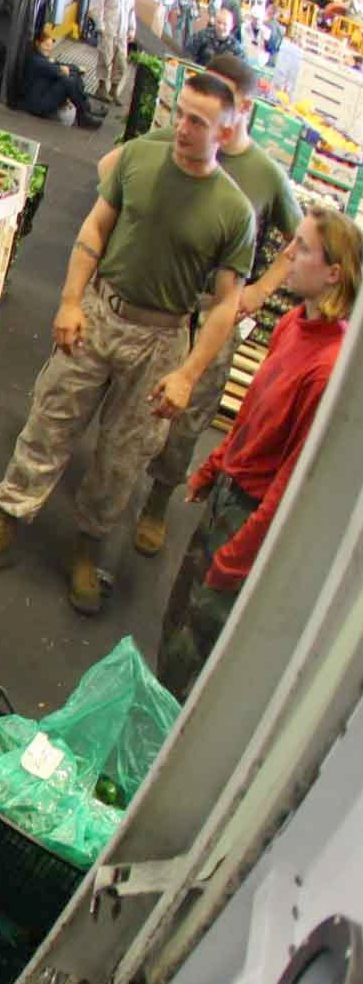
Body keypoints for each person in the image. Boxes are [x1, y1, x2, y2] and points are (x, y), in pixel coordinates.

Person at [0, 73, 256, 616]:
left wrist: (188, 375)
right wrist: (70, 302)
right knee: (50, 420)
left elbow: (225, 306)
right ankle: (1, 524)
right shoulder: (138, 161)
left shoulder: (233, 211)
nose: (181, 127)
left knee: (125, 455)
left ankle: (87, 550)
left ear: (225, 131)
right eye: (181, 113)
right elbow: (96, 229)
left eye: (198, 122)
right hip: (101, 315)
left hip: (162, 339)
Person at [158, 209, 358, 699]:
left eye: (303, 248)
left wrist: (238, 558)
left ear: (334, 273)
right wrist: (213, 465)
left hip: (250, 515)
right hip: (227, 495)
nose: (287, 255)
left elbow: (292, 479)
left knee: (199, 641)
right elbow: (252, 413)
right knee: (177, 615)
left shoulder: (328, 368)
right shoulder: (291, 324)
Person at [108, 54, 302, 555]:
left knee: (188, 416)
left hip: (214, 313)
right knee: (130, 400)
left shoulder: (264, 175)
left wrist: (261, 289)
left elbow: (300, 240)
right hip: (155, 304)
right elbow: (113, 174)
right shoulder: (175, 141)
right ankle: (108, 488)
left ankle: (157, 501)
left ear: (243, 108)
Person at [21, 31, 107, 128]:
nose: (49, 48)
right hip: (37, 106)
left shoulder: (43, 58)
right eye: (46, 45)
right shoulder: (37, 60)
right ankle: (84, 114)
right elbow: (61, 71)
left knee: (74, 76)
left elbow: (61, 65)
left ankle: (86, 110)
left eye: (50, 46)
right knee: (67, 81)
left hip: (44, 95)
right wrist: (75, 69)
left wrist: (75, 69)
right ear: (37, 44)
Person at [89, 0, 135, 103]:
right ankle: (101, 88)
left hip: (122, 34)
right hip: (108, 30)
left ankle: (114, 90)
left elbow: (131, 12)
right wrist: (101, 26)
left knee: (121, 62)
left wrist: (131, 30)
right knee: (105, 58)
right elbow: (96, 7)